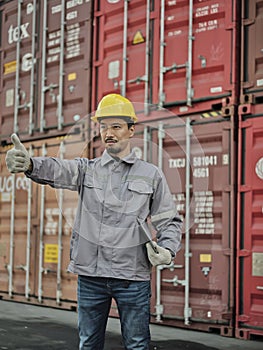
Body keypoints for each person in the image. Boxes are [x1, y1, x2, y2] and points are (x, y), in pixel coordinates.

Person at [5, 93, 182, 350]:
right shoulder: (87, 169)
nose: (108, 133)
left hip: (131, 277)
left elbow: (169, 219)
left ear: (131, 130)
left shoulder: (150, 174)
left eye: (116, 126)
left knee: (137, 344)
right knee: (88, 344)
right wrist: (30, 164)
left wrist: (167, 249)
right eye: (103, 126)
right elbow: (58, 169)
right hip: (91, 276)